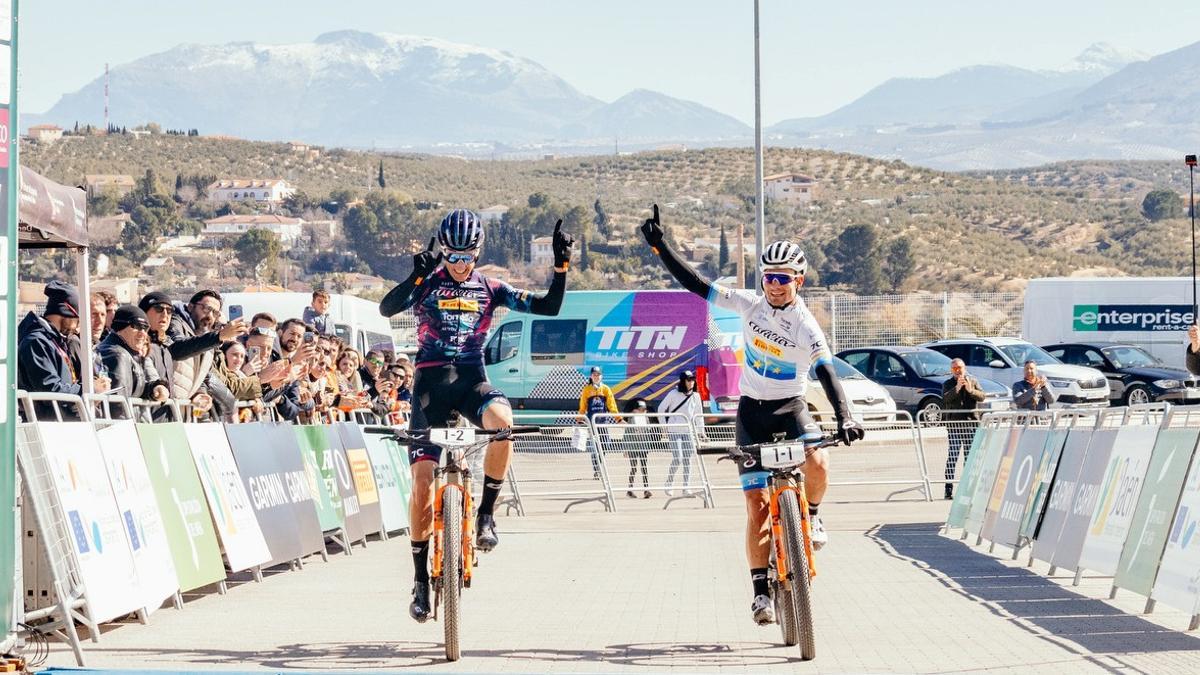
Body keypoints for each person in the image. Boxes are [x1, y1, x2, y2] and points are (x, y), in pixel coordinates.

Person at [639, 204, 863, 626]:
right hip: (752, 414)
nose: (775, 286)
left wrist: (845, 415)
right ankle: (760, 590)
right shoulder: (749, 304)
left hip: (791, 409)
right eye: (769, 278)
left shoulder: (806, 324)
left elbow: (827, 371)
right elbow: (696, 284)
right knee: (757, 507)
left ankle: (811, 517)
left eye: (783, 279)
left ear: (800, 280)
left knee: (819, 459)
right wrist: (660, 247)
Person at [379, 208, 573, 623]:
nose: (460, 264)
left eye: (467, 257)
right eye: (452, 256)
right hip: (430, 385)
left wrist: (561, 266)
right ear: (442, 251)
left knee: (505, 424)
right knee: (422, 484)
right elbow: (385, 308)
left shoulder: (491, 287)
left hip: (471, 380)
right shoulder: (427, 281)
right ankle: (418, 580)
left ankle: (486, 513)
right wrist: (416, 276)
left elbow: (550, 307)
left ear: (478, 252)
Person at [17, 281, 107, 419]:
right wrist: (88, 390)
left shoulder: (54, 340)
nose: (77, 327)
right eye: (77, 320)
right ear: (66, 312)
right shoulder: (36, 341)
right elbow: (49, 388)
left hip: (59, 421)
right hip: (48, 424)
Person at [97, 306, 170, 411]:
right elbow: (117, 406)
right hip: (120, 426)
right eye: (137, 326)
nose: (143, 333)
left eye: (145, 328)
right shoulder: (118, 355)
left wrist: (153, 389)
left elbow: (132, 388)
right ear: (120, 327)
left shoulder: (127, 354)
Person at [942, 357, 985, 500]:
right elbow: (946, 398)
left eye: (959, 368)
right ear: (951, 370)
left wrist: (970, 390)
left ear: (964, 368)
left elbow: (982, 396)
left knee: (969, 457)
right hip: (955, 425)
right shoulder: (948, 383)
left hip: (971, 424)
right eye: (954, 368)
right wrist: (957, 388)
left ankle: (968, 487)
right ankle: (948, 488)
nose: (957, 371)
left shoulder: (972, 380)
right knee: (953, 456)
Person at [659, 370, 703, 496]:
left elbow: (698, 415)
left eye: (693, 380)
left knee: (688, 459)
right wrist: (664, 427)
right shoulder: (673, 393)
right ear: (683, 381)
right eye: (689, 380)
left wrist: (701, 431)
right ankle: (669, 482)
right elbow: (661, 409)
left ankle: (686, 487)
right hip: (674, 430)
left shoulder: (696, 396)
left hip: (688, 431)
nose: (691, 382)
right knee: (678, 458)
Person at [578, 366, 620, 478]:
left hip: (603, 423)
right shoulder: (586, 390)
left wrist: (619, 419)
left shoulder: (606, 389)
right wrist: (579, 418)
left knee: (606, 445)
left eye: (598, 375)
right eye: (594, 375)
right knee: (595, 447)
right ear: (591, 376)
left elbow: (612, 405)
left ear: (602, 376)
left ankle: (600, 464)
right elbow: (582, 406)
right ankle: (597, 469)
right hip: (592, 423)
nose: (596, 377)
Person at [622, 399, 652, 499]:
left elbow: (648, 431)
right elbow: (627, 433)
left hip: (643, 445)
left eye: (644, 409)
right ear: (635, 410)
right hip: (633, 446)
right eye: (640, 409)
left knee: (644, 467)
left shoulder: (645, 418)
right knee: (634, 468)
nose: (643, 411)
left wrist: (648, 445)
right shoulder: (632, 418)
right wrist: (625, 448)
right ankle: (629, 490)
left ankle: (646, 490)